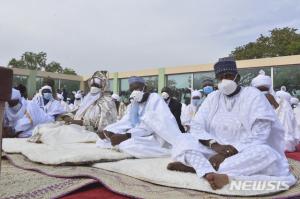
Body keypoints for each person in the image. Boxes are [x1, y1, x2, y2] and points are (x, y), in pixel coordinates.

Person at [167, 57, 296, 190]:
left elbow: (260, 133)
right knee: (183, 139)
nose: (224, 81)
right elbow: (197, 126)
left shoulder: (253, 95)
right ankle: (209, 169)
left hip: (243, 150)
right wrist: (214, 144)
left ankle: (200, 168)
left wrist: (227, 153)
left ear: (237, 77)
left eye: (228, 76)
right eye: (220, 77)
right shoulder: (213, 97)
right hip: (213, 149)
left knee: (266, 153)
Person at [97, 76, 182, 158]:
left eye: (137, 88)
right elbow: (126, 122)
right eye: (132, 89)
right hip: (137, 134)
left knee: (127, 145)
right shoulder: (134, 104)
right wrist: (110, 131)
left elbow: (153, 125)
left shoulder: (154, 98)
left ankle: (170, 152)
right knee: (102, 141)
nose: (134, 91)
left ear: (145, 88)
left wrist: (127, 136)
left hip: (157, 137)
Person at [251, 71, 299, 152]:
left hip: (280, 145)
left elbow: (287, 136)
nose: (263, 93)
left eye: (265, 90)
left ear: (270, 89)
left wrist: (275, 104)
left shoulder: (283, 104)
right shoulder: (251, 104)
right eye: (259, 90)